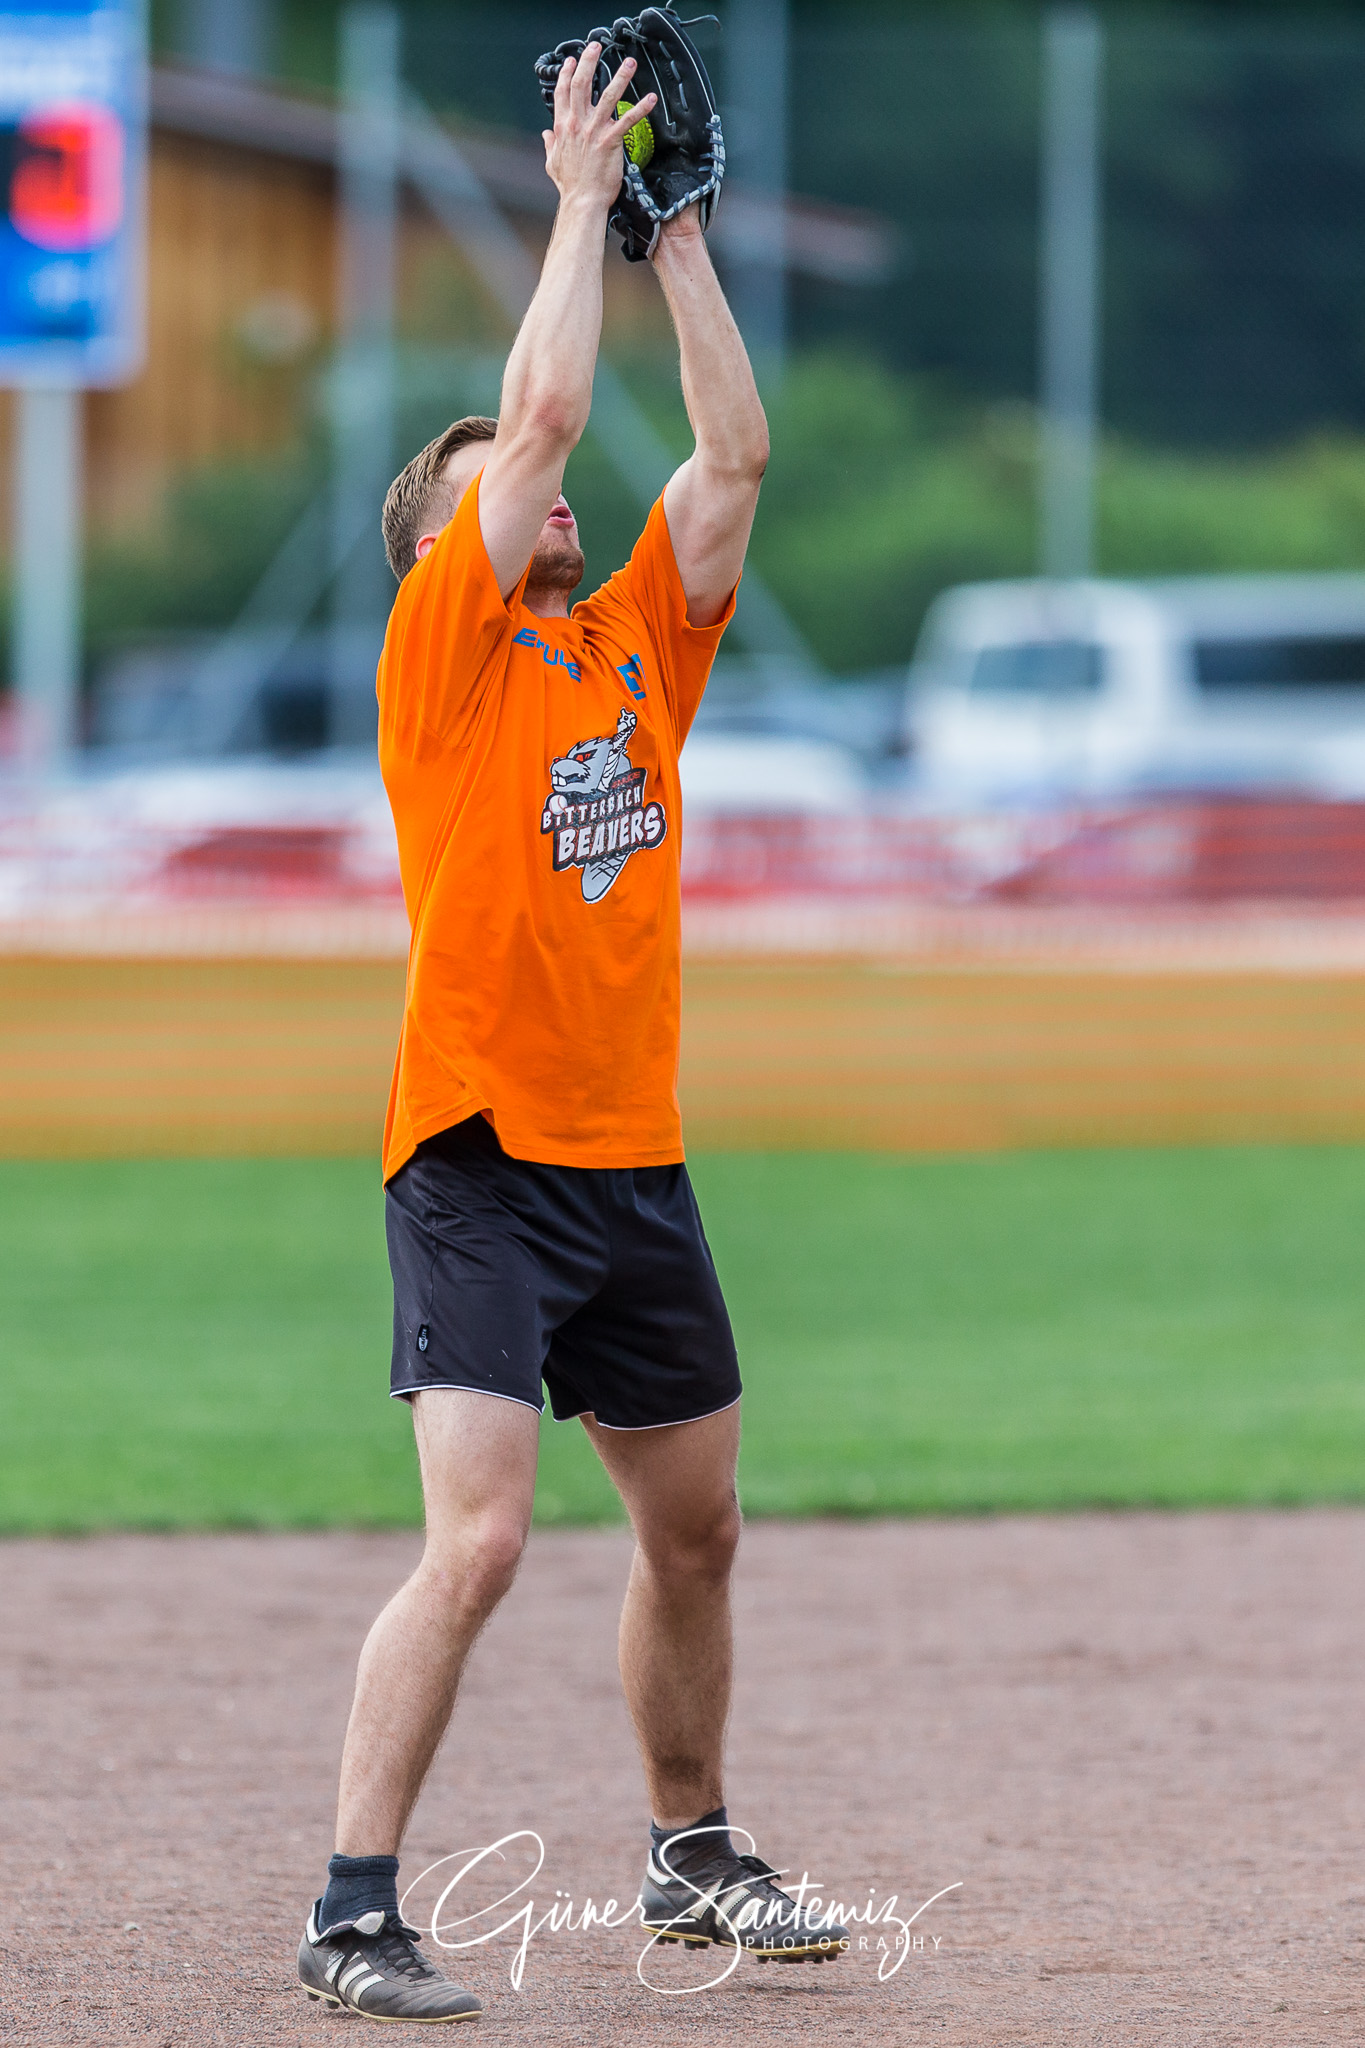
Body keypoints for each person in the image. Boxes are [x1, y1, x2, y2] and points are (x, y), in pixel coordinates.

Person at [297, 41, 846, 2024]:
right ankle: (354, 1903)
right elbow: (536, 401)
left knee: (692, 1528)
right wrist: (565, 201)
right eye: (487, 493)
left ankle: (691, 1850)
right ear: (440, 544)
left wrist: (676, 233)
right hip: (473, 1154)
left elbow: (730, 462)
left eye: (527, 491)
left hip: (631, 1161)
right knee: (481, 1539)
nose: (533, 488)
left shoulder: (626, 645)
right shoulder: (441, 663)